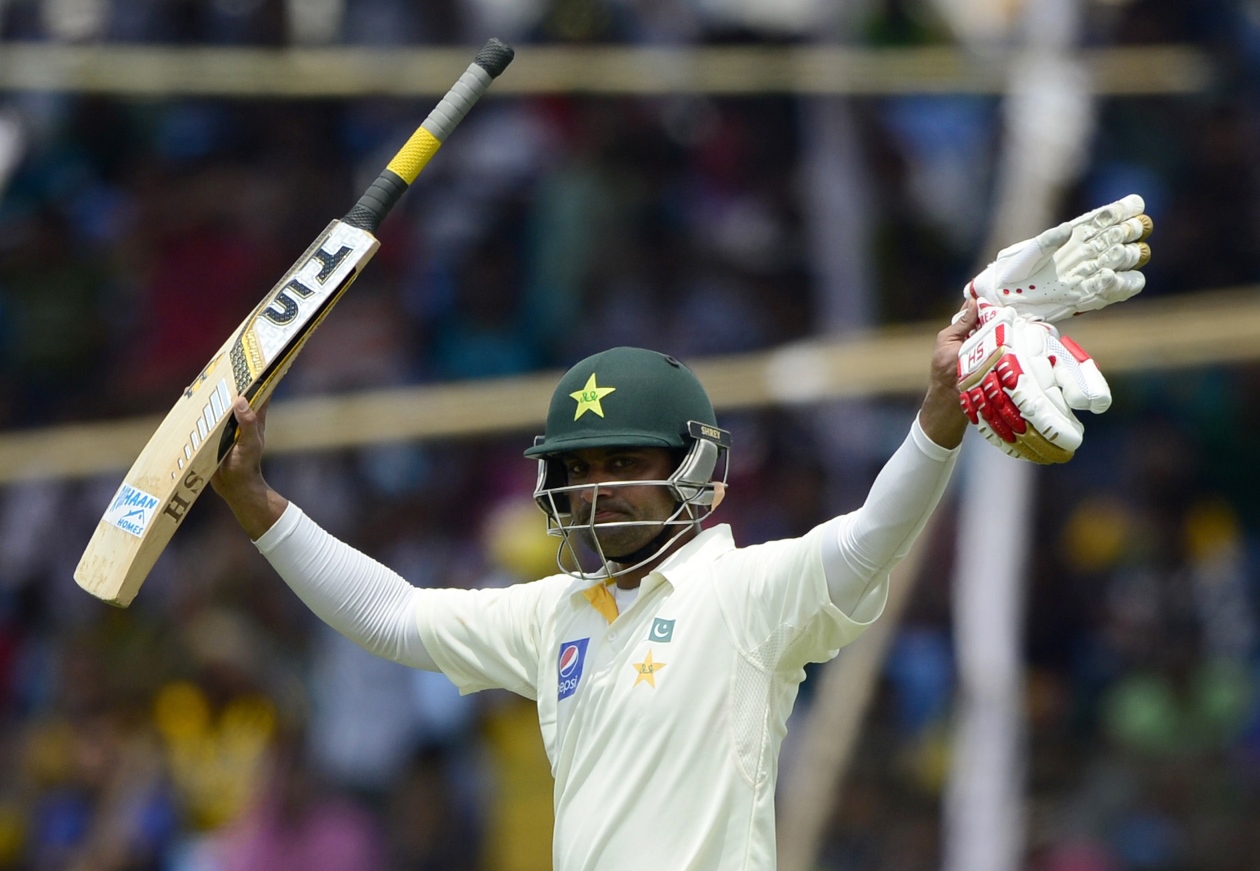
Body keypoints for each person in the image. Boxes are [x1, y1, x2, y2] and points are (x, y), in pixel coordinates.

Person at [209, 295, 977, 871]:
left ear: (693, 468)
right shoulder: (557, 614)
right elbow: (395, 616)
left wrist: (939, 414)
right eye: (578, 469)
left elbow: (875, 536)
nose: (595, 489)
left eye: (623, 463)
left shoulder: (746, 593)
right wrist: (257, 502)